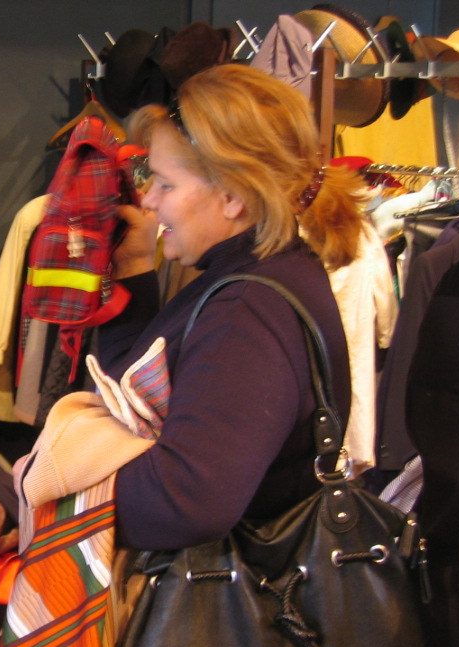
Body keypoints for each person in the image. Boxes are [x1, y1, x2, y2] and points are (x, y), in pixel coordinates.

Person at [97, 63, 364, 551]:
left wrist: (59, 488)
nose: (149, 200)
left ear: (233, 196)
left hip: (224, 590)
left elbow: (184, 505)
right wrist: (134, 266)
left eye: (166, 184)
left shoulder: (246, 310)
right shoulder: (257, 276)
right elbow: (129, 400)